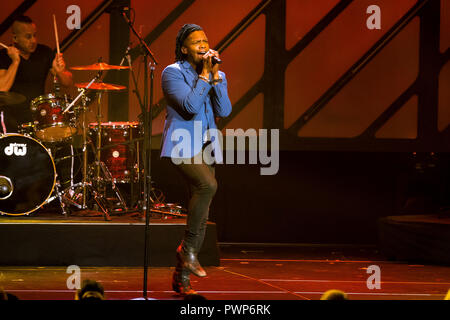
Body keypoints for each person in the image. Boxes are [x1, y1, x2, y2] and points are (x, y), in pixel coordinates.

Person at [160, 23, 232, 295]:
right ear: (184, 48)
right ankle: (187, 251)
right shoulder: (172, 73)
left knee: (200, 215)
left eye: (205, 40)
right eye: (196, 42)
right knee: (208, 186)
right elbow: (189, 107)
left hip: (206, 144)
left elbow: (223, 109)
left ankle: (182, 279)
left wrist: (215, 78)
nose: (203, 45)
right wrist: (204, 76)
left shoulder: (216, 74)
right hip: (181, 144)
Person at [0, 15, 72, 133]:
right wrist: (15, 62)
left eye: (34, 35)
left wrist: (59, 72)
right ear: (15, 38)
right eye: (28, 37)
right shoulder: (4, 56)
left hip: (38, 117)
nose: (33, 40)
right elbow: (2, 88)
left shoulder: (44, 52)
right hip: (9, 119)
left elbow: (67, 82)